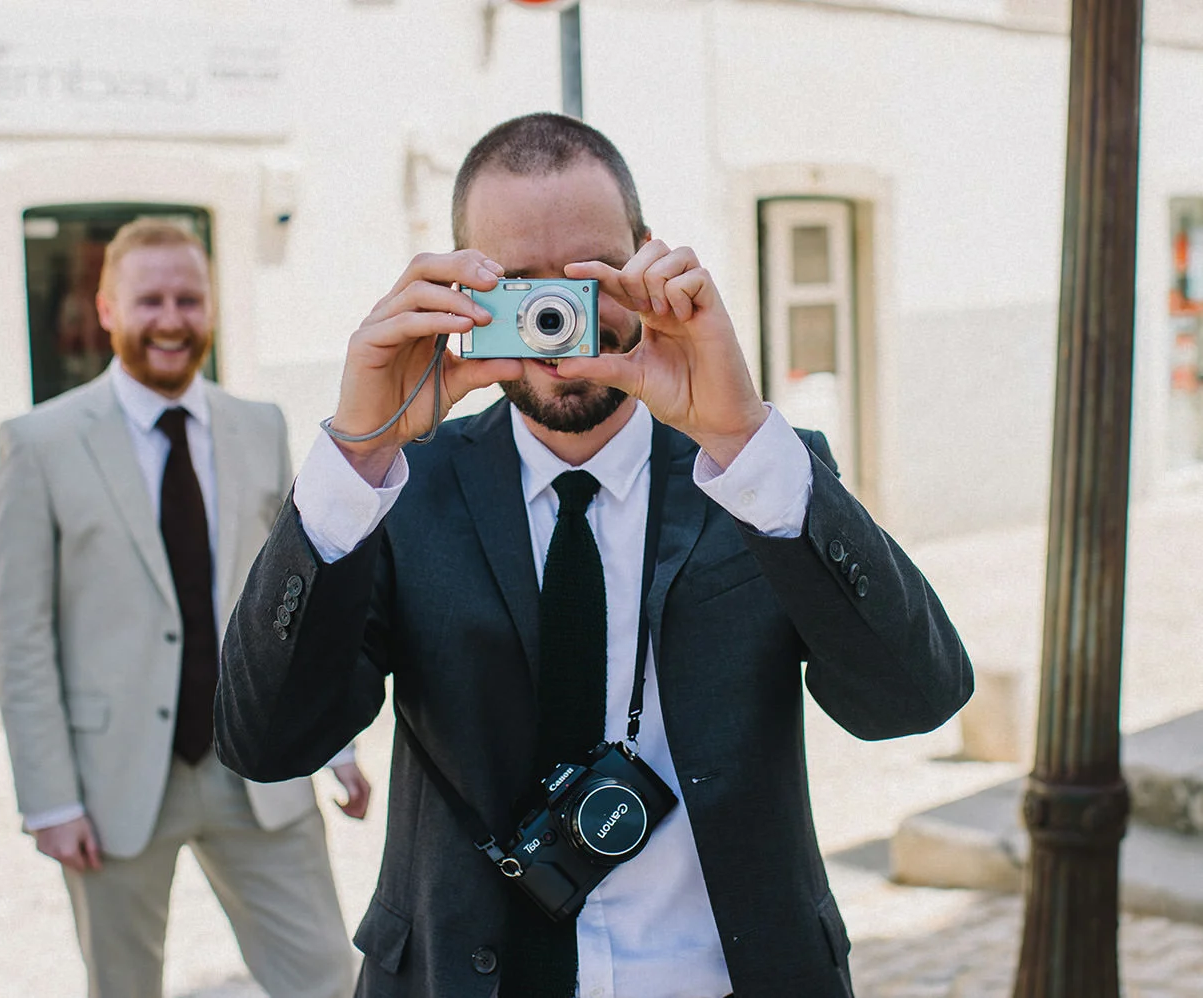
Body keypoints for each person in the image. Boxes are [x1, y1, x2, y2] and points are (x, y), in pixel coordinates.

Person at [215, 113, 973, 998]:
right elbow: (266, 741)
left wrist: (740, 435)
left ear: (648, 260)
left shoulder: (756, 471)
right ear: (459, 289)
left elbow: (915, 699)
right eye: (515, 285)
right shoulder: (400, 491)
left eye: (583, 277)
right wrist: (356, 453)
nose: (556, 319)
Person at [0, 218, 365, 998]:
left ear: (211, 309)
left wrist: (335, 742)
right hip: (111, 780)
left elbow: (299, 594)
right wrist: (49, 796)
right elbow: (20, 634)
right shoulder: (38, 442)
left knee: (328, 978)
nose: (170, 319)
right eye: (149, 299)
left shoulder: (259, 426)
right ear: (106, 310)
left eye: (188, 299)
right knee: (122, 987)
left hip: (256, 766)